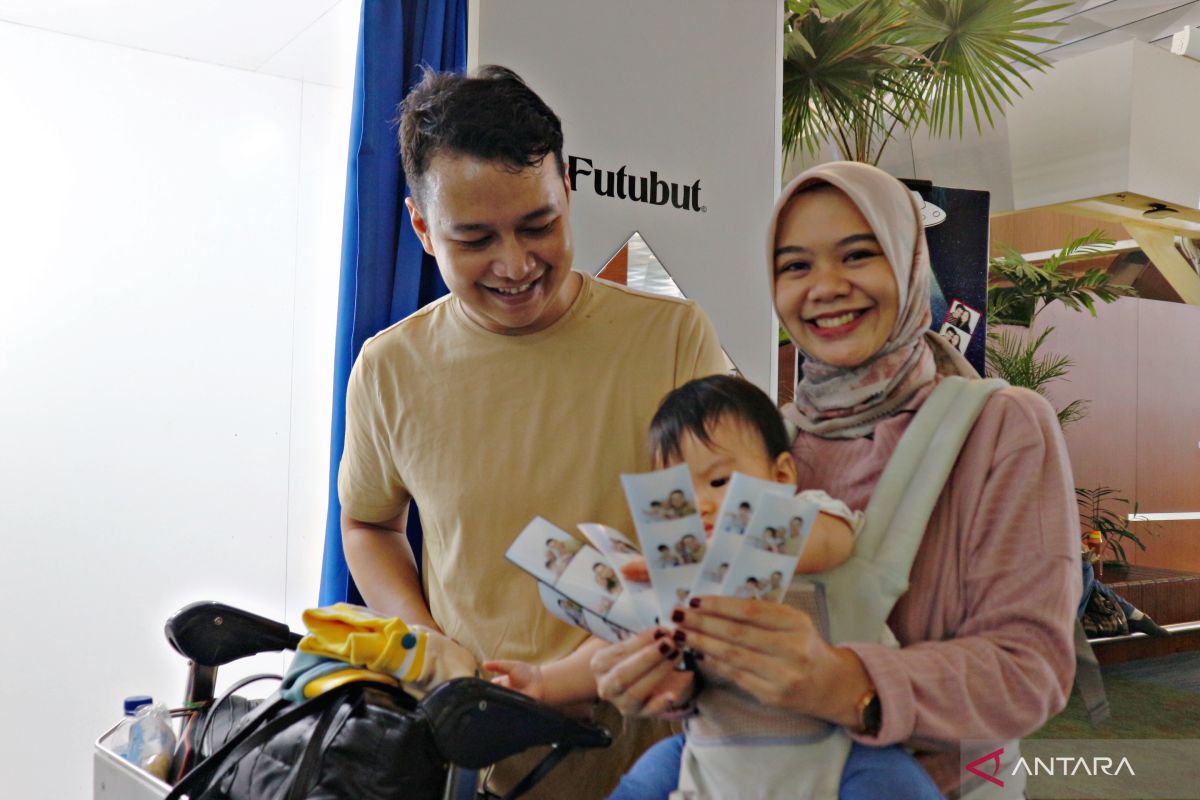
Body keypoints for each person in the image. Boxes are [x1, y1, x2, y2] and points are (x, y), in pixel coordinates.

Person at [592, 161, 1080, 798]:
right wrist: (674, 674)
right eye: (795, 265)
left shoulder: (999, 427)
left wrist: (843, 681)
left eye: (858, 255)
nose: (825, 287)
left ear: (909, 265)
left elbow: (1028, 670)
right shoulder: (769, 444)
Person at [337, 65, 726, 798]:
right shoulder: (390, 369)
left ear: (568, 191)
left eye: (538, 225)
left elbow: (725, 533)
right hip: (465, 758)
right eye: (476, 238)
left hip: (648, 756)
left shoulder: (674, 340)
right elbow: (368, 523)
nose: (515, 265)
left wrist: (608, 662)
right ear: (422, 228)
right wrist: (426, 641)